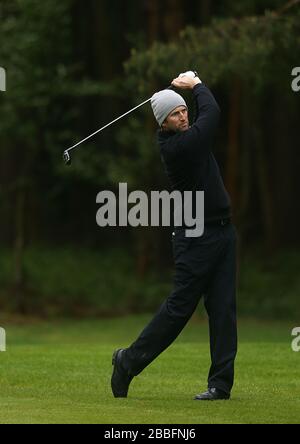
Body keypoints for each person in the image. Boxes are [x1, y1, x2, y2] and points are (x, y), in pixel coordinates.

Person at [111, 72, 238, 401]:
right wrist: (195, 84)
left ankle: (220, 385)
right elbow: (213, 114)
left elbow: (205, 115)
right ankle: (128, 361)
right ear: (163, 123)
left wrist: (191, 90)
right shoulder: (179, 146)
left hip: (223, 232)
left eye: (184, 111)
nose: (182, 116)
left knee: (223, 308)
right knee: (180, 308)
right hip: (195, 237)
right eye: (174, 114)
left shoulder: (188, 134)